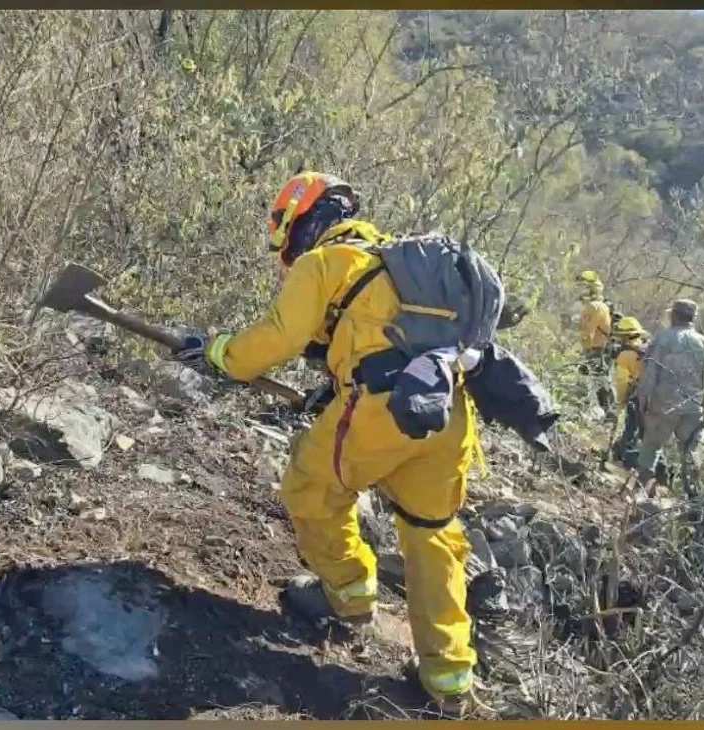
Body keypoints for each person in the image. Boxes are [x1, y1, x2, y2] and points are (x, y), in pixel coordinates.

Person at [174, 172, 480, 710]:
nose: (287, 253)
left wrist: (219, 352)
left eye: (286, 238)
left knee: (311, 489)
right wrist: (334, 388)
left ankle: (350, 597)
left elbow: (274, 340)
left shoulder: (326, 264)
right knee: (431, 534)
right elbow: (376, 341)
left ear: (306, 222)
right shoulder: (402, 263)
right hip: (446, 410)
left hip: (380, 413)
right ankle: (449, 678)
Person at [634, 298, 704, 495]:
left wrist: (643, 398)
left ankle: (639, 493)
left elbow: (650, 372)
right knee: (690, 455)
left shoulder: (662, 339)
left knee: (651, 447)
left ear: (674, 315)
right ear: (693, 318)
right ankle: (691, 500)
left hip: (662, 405)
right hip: (692, 407)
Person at [609, 316, 649, 468]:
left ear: (625, 336)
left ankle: (626, 463)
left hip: (637, 397)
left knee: (630, 429)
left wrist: (620, 404)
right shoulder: (647, 347)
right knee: (648, 435)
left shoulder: (625, 355)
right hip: (655, 397)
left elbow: (622, 383)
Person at [575, 272, 615, 419]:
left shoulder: (594, 307)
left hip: (595, 351)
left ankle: (609, 415)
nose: (578, 289)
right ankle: (607, 414)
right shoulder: (596, 306)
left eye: (581, 286)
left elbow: (586, 332)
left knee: (599, 385)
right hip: (597, 350)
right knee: (600, 385)